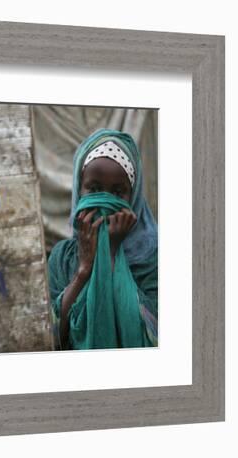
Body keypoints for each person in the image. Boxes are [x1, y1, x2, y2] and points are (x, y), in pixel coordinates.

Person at [47, 128, 158, 350]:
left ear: (133, 197)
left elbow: (153, 335)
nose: (105, 201)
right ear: (80, 191)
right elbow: (52, 335)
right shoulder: (62, 257)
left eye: (118, 193)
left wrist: (111, 254)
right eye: (95, 189)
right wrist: (84, 270)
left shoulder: (154, 257)